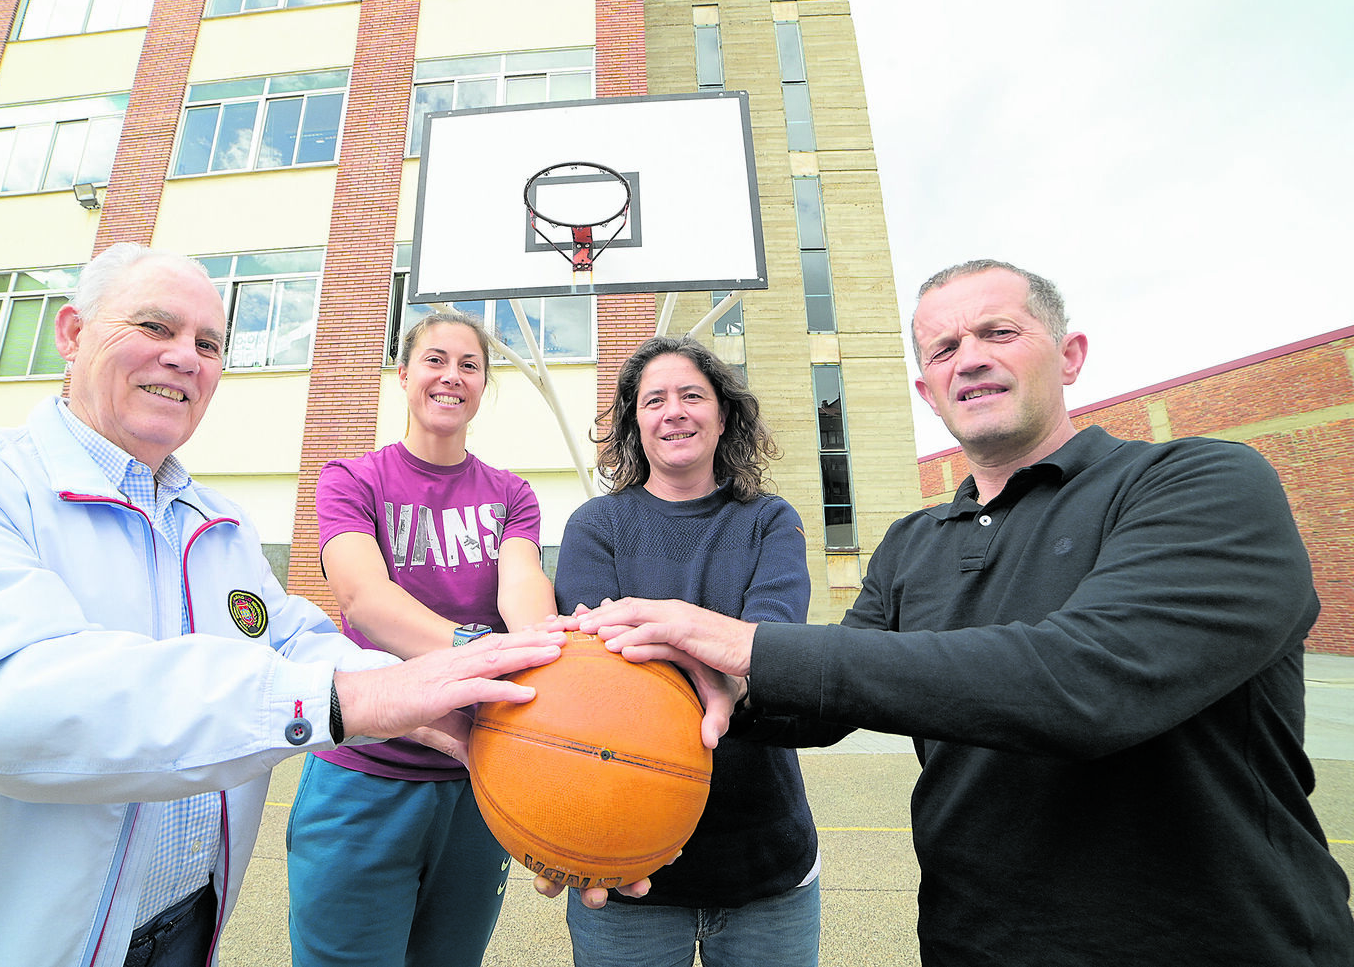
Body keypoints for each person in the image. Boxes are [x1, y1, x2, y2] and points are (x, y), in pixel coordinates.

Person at [0, 244, 567, 967]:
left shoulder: (214, 525)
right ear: (72, 334)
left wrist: (491, 728)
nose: (185, 357)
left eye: (207, 344)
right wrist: (367, 695)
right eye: (155, 326)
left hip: (177, 928)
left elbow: (297, 639)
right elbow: (17, 691)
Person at [575, 260, 1354, 965]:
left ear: (1070, 353)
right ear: (927, 389)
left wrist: (742, 643)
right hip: (974, 940)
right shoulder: (914, 544)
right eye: (943, 349)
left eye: (999, 332)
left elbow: (1083, 683)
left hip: (1213, 939)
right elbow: (813, 701)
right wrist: (597, 770)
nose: (970, 357)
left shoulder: (1200, 482)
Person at [284, 310, 557, 967]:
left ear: (483, 386)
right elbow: (365, 600)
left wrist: (550, 650)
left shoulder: (511, 494)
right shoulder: (351, 480)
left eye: (469, 364)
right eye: (435, 359)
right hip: (365, 776)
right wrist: (481, 652)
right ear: (404, 374)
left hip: (476, 780)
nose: (452, 375)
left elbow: (521, 588)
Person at [550, 335, 821, 967]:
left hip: (765, 858)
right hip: (624, 859)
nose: (674, 410)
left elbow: (766, 649)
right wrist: (711, 652)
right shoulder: (595, 526)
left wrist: (663, 635)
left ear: (722, 416)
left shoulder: (770, 521)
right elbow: (600, 675)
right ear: (633, 423)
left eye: (692, 395)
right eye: (654, 400)